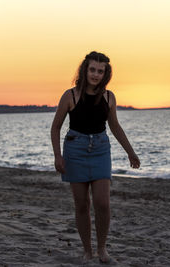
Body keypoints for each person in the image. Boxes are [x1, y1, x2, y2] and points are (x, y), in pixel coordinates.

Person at [50, 51, 140, 263]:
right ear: (85, 70)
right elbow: (55, 128)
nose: (96, 74)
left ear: (106, 73)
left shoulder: (109, 97)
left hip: (100, 149)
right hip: (75, 150)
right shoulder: (70, 96)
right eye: (92, 69)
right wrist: (57, 156)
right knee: (81, 204)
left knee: (102, 203)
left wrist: (130, 151)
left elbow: (115, 126)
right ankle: (87, 251)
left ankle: (102, 249)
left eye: (101, 71)